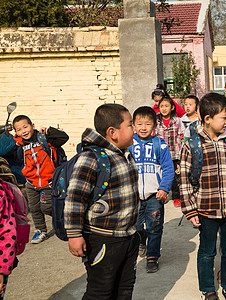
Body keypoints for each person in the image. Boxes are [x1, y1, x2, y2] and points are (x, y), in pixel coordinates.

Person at [179, 93, 226, 300]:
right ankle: (208, 289)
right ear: (207, 119)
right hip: (205, 209)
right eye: (223, 117)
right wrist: (189, 209)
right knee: (207, 252)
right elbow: (185, 181)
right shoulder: (192, 146)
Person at [65, 103, 139, 300]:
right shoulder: (92, 158)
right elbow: (74, 199)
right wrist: (74, 235)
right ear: (112, 132)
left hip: (128, 236)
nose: (135, 129)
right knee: (101, 291)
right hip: (103, 239)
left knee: (124, 288)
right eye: (130, 125)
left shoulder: (123, 154)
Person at [129, 106, 174, 273]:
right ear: (133, 125)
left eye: (147, 124)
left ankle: (152, 256)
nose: (143, 128)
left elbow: (168, 169)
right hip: (133, 196)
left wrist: (164, 188)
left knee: (154, 226)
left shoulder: (159, 144)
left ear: (154, 126)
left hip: (155, 195)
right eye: (139, 124)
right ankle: (141, 241)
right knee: (137, 226)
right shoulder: (129, 145)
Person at [13, 115, 68, 244]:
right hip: (31, 182)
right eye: (19, 129)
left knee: (47, 207)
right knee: (34, 208)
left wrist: (49, 130)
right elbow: (17, 158)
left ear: (32, 126)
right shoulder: (19, 145)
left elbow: (64, 138)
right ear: (16, 132)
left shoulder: (44, 139)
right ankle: (40, 230)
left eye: (25, 127)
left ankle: (65, 220)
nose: (23, 131)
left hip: (48, 181)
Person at [156, 97, 184, 207]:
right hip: (161, 155)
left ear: (172, 107)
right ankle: (163, 194)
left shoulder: (177, 121)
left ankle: (176, 196)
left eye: (166, 106)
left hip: (175, 154)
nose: (164, 109)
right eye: (161, 106)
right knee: (162, 175)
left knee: (176, 177)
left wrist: (181, 154)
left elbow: (182, 136)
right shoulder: (157, 122)